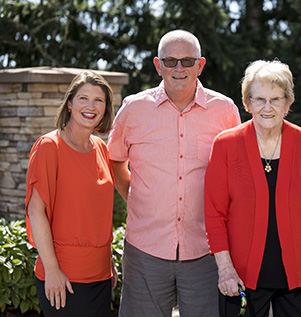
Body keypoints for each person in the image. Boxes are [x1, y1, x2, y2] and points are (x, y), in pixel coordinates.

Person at [107, 30, 241, 317]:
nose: (178, 68)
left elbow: (235, 176)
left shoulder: (225, 111)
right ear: (158, 65)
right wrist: (134, 197)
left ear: (200, 65)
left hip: (206, 250)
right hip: (145, 248)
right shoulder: (134, 109)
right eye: (170, 61)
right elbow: (115, 161)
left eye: (187, 61)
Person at [204, 59, 301, 317]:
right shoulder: (225, 146)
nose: (268, 108)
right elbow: (214, 215)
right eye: (260, 99)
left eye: (276, 99)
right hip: (241, 278)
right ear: (247, 103)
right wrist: (225, 269)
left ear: (288, 104)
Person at [25, 70, 117, 316]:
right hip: (63, 277)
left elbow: (96, 212)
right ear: (69, 104)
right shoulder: (49, 146)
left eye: (99, 100)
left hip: (100, 275)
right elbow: (36, 211)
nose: (91, 106)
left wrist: (108, 261)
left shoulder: (100, 148)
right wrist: (52, 270)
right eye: (83, 98)